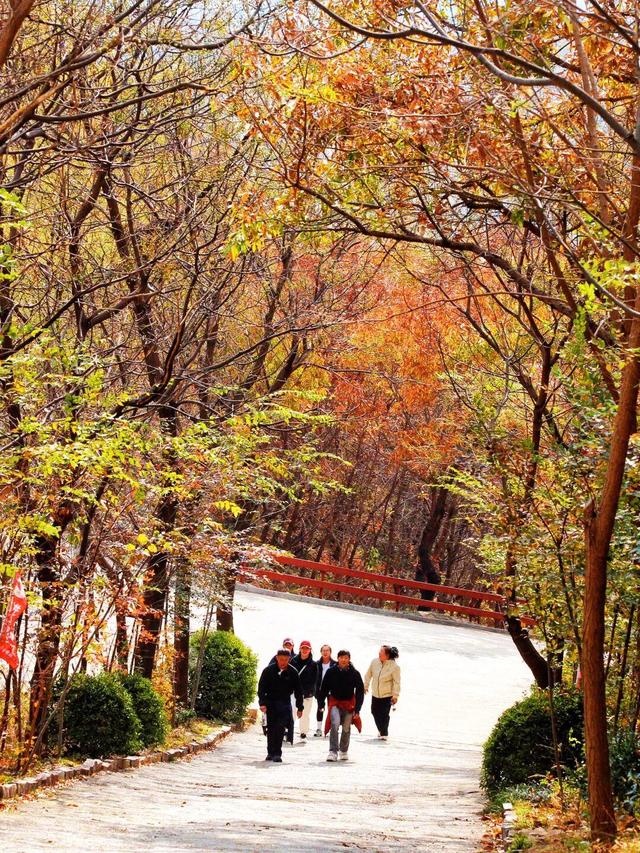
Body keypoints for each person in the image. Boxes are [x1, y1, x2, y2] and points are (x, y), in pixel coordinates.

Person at [258, 649, 303, 762]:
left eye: (286, 660)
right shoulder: (268, 671)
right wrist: (262, 703)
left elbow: (298, 691)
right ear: (277, 658)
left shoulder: (293, 672)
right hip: (270, 702)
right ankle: (270, 752)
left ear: (289, 659)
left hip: (284, 703)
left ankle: (277, 753)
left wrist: (300, 707)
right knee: (271, 728)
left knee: (280, 727)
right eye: (281, 659)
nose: (283, 662)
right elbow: (261, 688)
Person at [319, 649, 364, 762]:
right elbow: (324, 688)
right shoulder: (331, 671)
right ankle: (333, 751)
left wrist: (357, 709)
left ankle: (343, 751)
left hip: (349, 704)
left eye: (346, 658)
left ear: (349, 659)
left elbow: (359, 691)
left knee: (346, 727)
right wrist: (321, 704)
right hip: (335, 702)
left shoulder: (354, 673)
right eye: (341, 657)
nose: (343, 660)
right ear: (338, 658)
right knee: (335, 723)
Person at [364, 645, 401, 740]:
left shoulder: (394, 667)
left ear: (387, 655)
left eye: (381, 652)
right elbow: (368, 674)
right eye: (379, 651)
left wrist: (395, 695)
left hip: (387, 695)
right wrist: (366, 686)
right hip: (375, 694)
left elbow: (396, 682)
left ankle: (384, 733)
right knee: (374, 711)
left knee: (384, 715)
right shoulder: (374, 662)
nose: (379, 653)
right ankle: (381, 729)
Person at [289, 640, 318, 739]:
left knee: (305, 714)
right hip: (293, 692)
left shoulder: (314, 664)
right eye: (303, 648)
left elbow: (314, 680)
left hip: (307, 694)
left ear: (310, 650)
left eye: (307, 648)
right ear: (299, 649)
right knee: (292, 711)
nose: (305, 650)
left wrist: (309, 692)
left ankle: (303, 733)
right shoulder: (293, 661)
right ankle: (289, 731)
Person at [314, 643, 336, 736]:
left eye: (327, 650)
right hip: (320, 690)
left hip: (332, 691)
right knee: (320, 708)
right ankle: (319, 729)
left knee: (331, 709)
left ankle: (330, 729)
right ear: (321, 652)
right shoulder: (316, 664)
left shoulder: (335, 664)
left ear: (330, 652)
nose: (325, 652)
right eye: (323, 650)